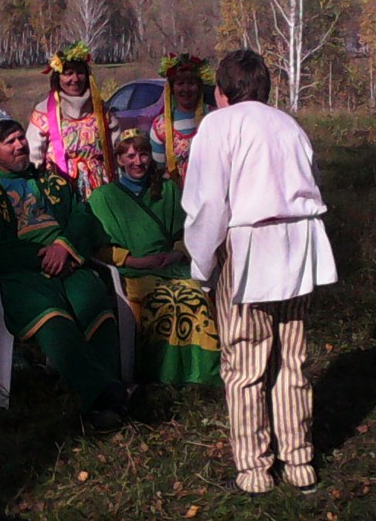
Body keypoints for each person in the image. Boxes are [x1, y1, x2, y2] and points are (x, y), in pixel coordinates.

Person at [182, 49, 338, 495]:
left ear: (221, 91)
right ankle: (299, 462)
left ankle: (254, 470)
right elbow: (311, 182)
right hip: (298, 246)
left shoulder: (218, 124)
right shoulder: (289, 125)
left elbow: (208, 205)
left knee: (246, 363)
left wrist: (202, 264)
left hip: (251, 247)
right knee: (291, 359)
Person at [0, 112, 128, 429]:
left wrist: (64, 247)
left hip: (67, 261)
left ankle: (106, 390)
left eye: (20, 138)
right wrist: (41, 258)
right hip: (23, 273)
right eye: (9, 142)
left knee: (95, 301)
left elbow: (82, 216)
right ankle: (105, 396)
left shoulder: (54, 181)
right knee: (52, 317)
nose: (19, 145)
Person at [88, 129, 222, 387]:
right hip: (134, 272)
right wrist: (134, 261)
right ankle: (162, 374)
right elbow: (98, 247)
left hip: (171, 267)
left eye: (143, 154)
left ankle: (201, 374)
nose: (138, 162)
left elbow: (188, 230)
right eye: (130, 156)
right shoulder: (103, 198)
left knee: (192, 296)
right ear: (119, 160)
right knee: (163, 301)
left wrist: (177, 253)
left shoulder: (169, 190)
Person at [26, 41, 119, 199]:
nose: (75, 79)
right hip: (59, 189)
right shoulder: (44, 112)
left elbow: (117, 149)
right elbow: (33, 157)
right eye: (68, 73)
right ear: (58, 77)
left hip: (100, 188)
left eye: (80, 73)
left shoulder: (101, 111)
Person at [150, 53, 215, 186]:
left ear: (199, 87)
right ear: (172, 88)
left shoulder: (214, 117)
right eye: (180, 84)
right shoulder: (160, 126)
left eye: (191, 83)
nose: (186, 89)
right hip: (175, 192)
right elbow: (158, 168)